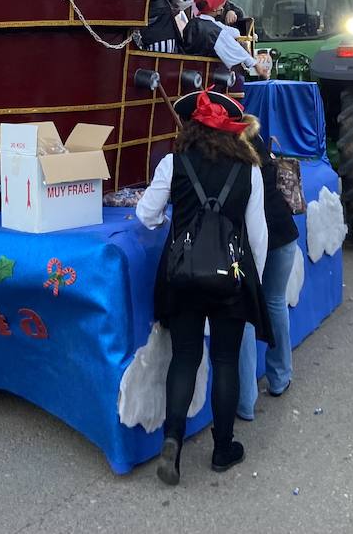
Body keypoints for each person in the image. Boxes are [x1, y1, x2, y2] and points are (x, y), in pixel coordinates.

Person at [137, 90, 269, 484]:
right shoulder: (249, 169)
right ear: (231, 131)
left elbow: (146, 214)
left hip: (182, 275)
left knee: (185, 357)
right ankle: (223, 449)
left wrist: (171, 224)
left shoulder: (173, 163)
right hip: (230, 276)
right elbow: (257, 234)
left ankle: (172, 441)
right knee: (225, 359)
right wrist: (252, 281)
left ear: (191, 127)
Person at [237, 137, 302, 416]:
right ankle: (280, 377)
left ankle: (246, 400)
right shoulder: (257, 143)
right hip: (284, 235)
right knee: (275, 302)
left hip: (255, 241)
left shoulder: (227, 153)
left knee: (245, 313)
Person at [183, 0, 271, 81]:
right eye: (220, 5)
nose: (222, 8)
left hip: (188, 73)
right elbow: (236, 50)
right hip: (207, 77)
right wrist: (256, 65)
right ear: (214, 8)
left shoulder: (191, 24)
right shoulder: (214, 32)